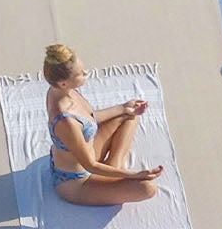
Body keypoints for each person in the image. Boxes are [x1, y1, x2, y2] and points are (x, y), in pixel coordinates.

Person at [42, 43, 162, 206]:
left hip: (88, 153)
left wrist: (123, 108)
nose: (86, 73)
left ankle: (114, 165)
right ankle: (114, 170)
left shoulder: (61, 91)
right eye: (80, 73)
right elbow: (90, 165)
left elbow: (90, 118)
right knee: (148, 188)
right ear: (63, 83)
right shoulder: (65, 122)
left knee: (130, 115)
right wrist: (133, 176)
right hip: (76, 182)